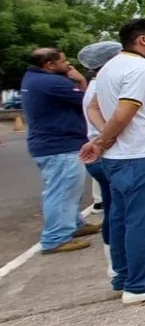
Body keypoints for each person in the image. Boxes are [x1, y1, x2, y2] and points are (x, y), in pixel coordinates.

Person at [79, 19, 145, 303]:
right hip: (142, 155)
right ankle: (142, 284)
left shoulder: (109, 69)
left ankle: (124, 276)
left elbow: (94, 107)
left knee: (122, 218)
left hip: (122, 157)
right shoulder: (141, 69)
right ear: (143, 40)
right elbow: (124, 114)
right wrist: (104, 140)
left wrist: (103, 139)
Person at [21, 47, 100, 253]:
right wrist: (81, 81)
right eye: (64, 62)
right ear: (50, 65)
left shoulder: (32, 79)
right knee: (62, 191)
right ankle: (55, 238)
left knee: (65, 190)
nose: (68, 65)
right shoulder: (52, 82)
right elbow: (87, 102)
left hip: (49, 144)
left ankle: (74, 225)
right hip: (60, 145)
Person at [78, 41, 123, 275]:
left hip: (102, 152)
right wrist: (104, 141)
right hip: (107, 154)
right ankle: (117, 265)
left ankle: (116, 264)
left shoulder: (97, 86)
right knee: (119, 213)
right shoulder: (103, 87)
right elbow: (117, 120)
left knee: (115, 211)